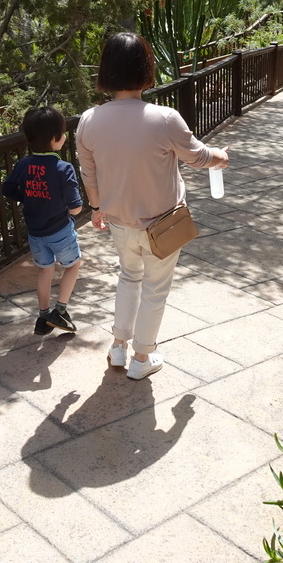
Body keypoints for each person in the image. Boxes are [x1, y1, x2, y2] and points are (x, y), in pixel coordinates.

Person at [76, 32, 229, 380]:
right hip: (162, 223)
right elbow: (198, 156)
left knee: (128, 277)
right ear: (146, 68)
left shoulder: (89, 120)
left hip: (118, 221)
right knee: (155, 289)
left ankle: (118, 347)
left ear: (107, 71)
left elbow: (89, 170)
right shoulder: (164, 118)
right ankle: (142, 358)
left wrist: (97, 208)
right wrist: (221, 157)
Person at [2, 106, 83, 335]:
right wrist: (70, 210)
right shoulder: (63, 168)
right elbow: (76, 208)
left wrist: (26, 197)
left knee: (45, 271)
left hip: (35, 232)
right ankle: (61, 310)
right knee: (73, 264)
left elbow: (7, 188)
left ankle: (43, 316)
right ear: (56, 139)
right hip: (60, 230)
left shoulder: (24, 164)